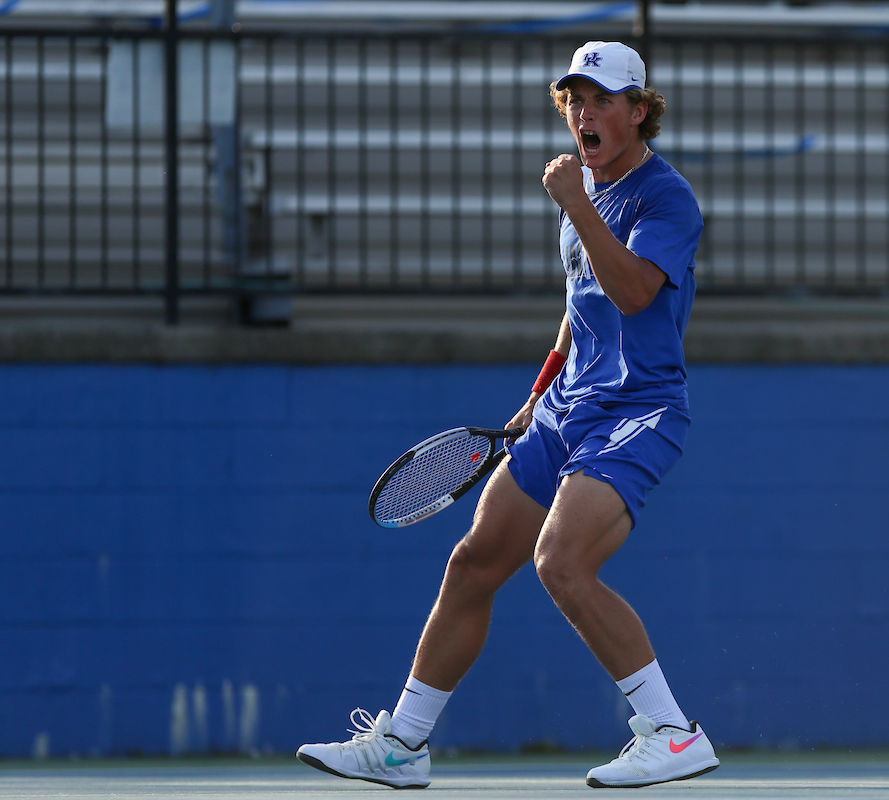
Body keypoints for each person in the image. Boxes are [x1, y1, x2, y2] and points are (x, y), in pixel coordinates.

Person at [297, 40, 716, 790]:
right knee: (474, 561)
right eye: (575, 101)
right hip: (564, 408)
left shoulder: (664, 198)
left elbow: (634, 294)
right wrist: (535, 394)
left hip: (638, 408)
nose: (585, 114)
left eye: (603, 101)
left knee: (562, 563)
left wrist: (579, 208)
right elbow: (580, 308)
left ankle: (674, 733)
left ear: (640, 113)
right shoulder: (580, 196)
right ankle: (404, 745)